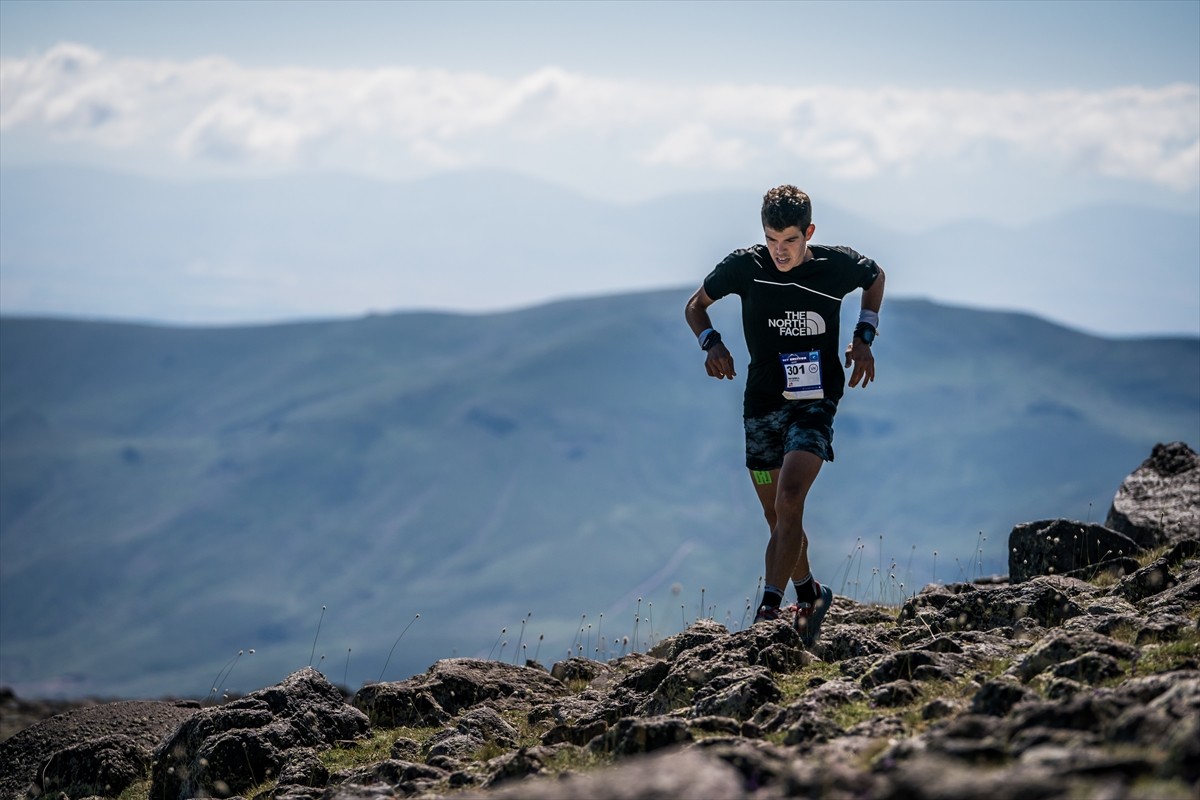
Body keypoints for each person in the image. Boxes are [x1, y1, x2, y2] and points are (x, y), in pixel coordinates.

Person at [684, 184, 885, 645]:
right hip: (761, 405)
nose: (780, 251)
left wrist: (864, 335)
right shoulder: (745, 267)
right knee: (777, 518)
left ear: (808, 233)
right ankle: (810, 593)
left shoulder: (836, 265)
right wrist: (710, 342)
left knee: (790, 498)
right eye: (772, 240)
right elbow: (696, 306)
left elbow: (875, 278)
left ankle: (769, 611)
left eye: (790, 240)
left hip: (815, 400)